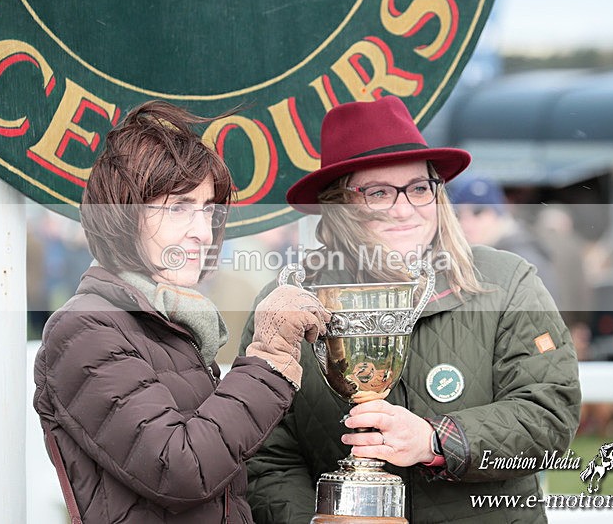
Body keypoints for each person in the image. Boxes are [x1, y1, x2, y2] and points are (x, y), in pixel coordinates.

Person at [240, 96, 581, 523]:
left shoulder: (506, 281)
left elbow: (549, 415)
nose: (405, 208)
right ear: (339, 204)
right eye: (379, 192)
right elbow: (265, 458)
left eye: (419, 188)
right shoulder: (288, 303)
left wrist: (437, 441)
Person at [33, 100, 330, 523]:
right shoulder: (86, 328)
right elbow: (180, 468)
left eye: (208, 209)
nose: (202, 231)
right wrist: (270, 360)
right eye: (178, 208)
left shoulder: (170, 323)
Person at [446, 174, 560, 302]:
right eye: (459, 214)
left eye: (477, 211)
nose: (467, 223)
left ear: (498, 212)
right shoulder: (473, 255)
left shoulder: (524, 256)